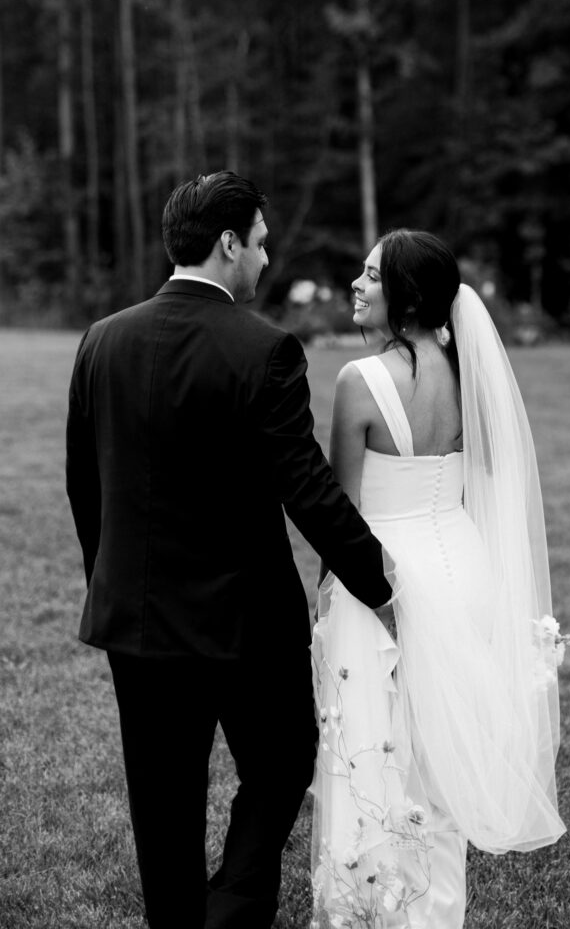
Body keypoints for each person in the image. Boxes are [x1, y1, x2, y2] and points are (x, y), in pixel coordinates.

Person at [65, 171, 392, 929]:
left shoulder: (101, 339)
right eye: (261, 242)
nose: (266, 258)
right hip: (245, 623)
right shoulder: (265, 349)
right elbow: (307, 490)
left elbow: (87, 488)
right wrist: (381, 586)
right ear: (227, 244)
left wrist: (109, 583)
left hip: (135, 619)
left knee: (161, 798)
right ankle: (234, 908)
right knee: (280, 764)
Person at [310, 229, 566, 929]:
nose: (356, 287)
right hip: (463, 570)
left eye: (370, 276)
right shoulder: (471, 377)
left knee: (370, 756)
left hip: (383, 580)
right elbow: (479, 480)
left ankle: (368, 913)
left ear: (404, 295)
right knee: (442, 760)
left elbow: (342, 513)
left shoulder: (358, 382)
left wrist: (326, 601)